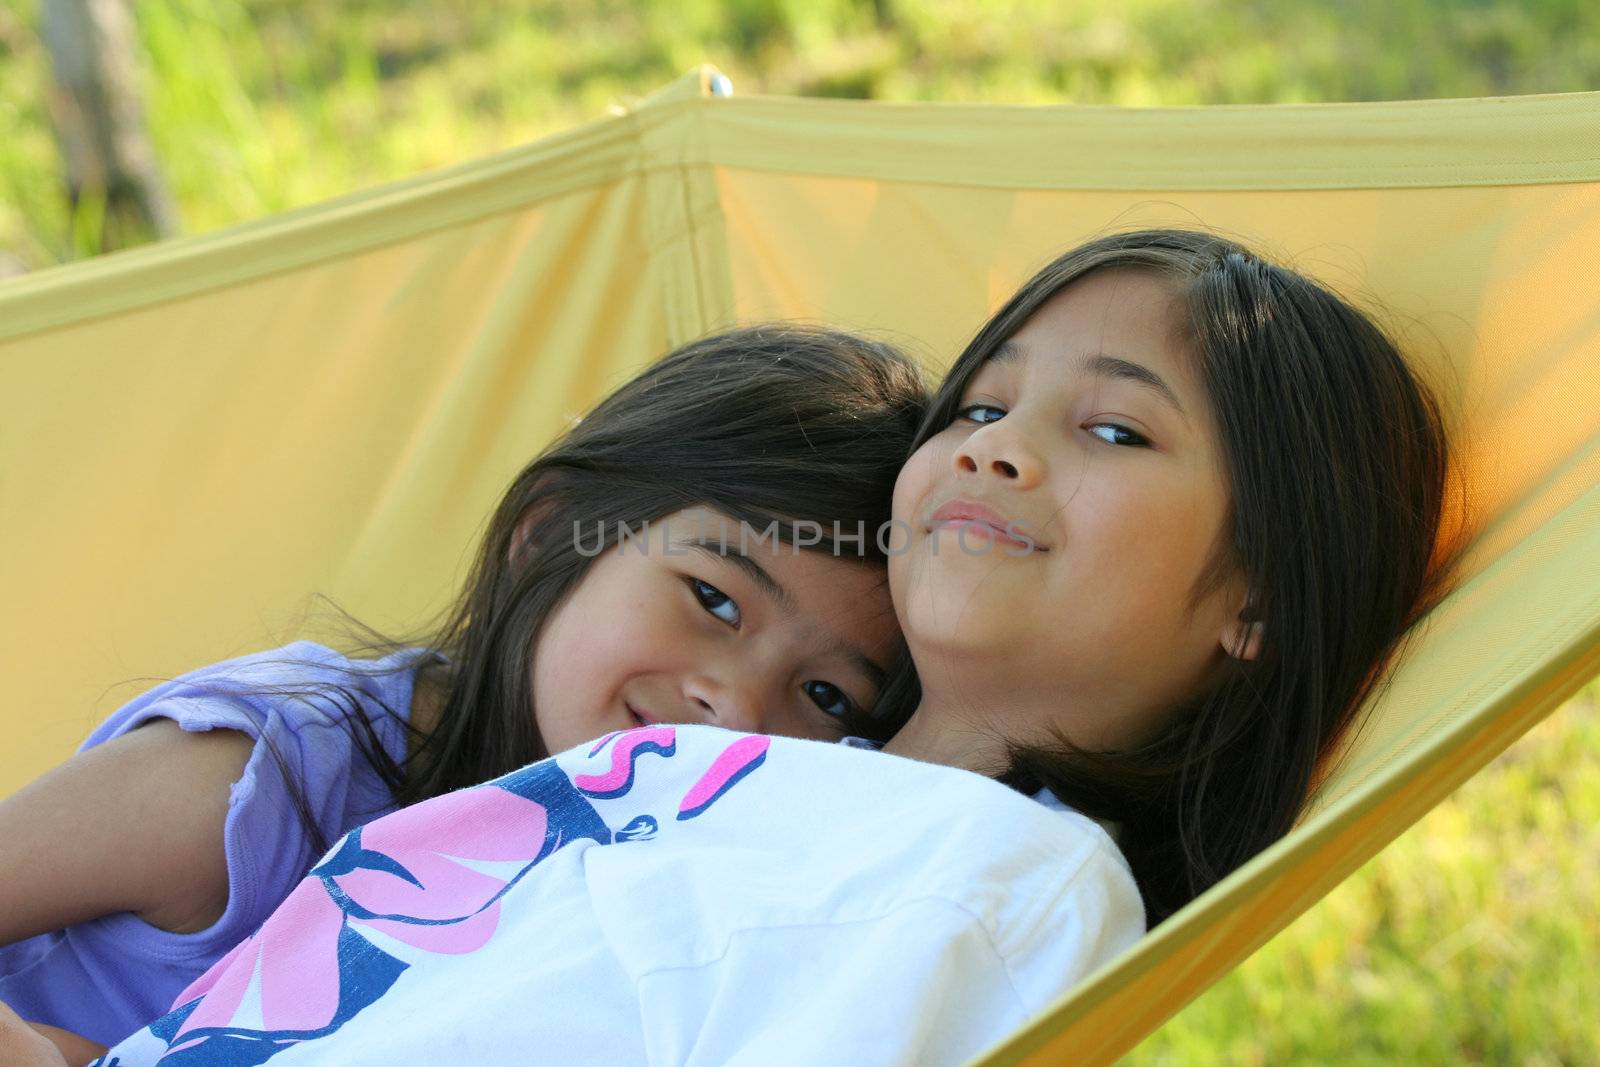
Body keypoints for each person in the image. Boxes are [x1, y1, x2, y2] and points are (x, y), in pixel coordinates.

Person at [24, 227, 1455, 1067]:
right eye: (979, 408)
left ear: (1256, 598)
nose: (1002, 451)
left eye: (1114, 429)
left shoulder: (1003, 880)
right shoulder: (691, 782)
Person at [0, 324, 930, 1050]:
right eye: (713, 600)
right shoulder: (258, 780)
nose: (736, 707)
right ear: (550, 534)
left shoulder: (671, 899)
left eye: (829, 695)